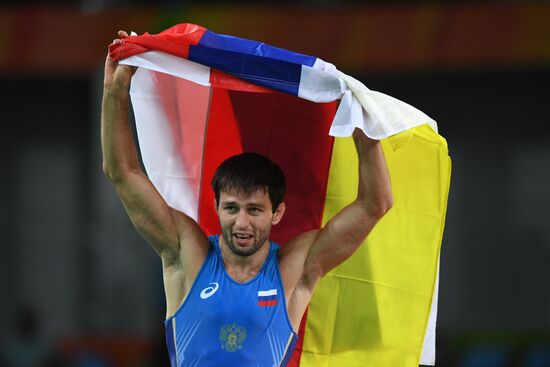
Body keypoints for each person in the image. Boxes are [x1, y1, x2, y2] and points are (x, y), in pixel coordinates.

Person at [102, 31, 393, 367]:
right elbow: (121, 172)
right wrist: (115, 92)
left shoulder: (293, 269)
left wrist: (361, 125)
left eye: (254, 210)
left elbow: (376, 204)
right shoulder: (187, 254)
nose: (241, 222)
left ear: (277, 212)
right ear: (217, 207)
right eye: (231, 208)